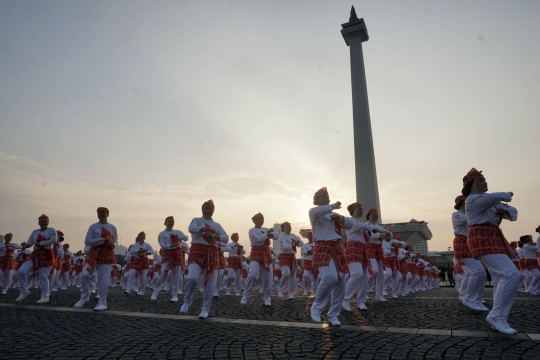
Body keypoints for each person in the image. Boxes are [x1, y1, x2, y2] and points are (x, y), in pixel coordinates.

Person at [462, 168, 520, 334]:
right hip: (481, 237)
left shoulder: (487, 201)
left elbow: (513, 213)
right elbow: (498, 198)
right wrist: (506, 195)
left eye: (484, 179)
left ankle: (500, 315)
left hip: (494, 236)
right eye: (480, 180)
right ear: (472, 184)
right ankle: (497, 315)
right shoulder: (473, 199)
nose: (485, 182)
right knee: (511, 274)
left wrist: (504, 209)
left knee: (501, 277)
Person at [180, 200, 228, 319]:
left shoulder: (217, 225)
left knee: (210, 284)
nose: (208, 211)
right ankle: (187, 300)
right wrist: (205, 230)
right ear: (202, 210)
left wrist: (215, 236)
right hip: (197, 252)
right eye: (206, 208)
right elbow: (191, 228)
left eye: (210, 209)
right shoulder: (196, 220)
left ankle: (205, 308)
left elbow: (226, 237)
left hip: (212, 254)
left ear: (213, 211)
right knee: (192, 278)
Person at [309, 187, 348, 326]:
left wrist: (340, 217)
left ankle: (333, 314)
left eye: (327, 196)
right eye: (323, 196)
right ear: (316, 200)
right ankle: (316, 307)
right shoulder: (314, 212)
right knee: (330, 276)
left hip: (337, 248)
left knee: (342, 280)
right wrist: (333, 206)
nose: (326, 198)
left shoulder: (334, 215)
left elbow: (350, 224)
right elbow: (321, 210)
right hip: (322, 248)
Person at [74, 207, 118, 311]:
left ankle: (102, 302)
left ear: (108, 214)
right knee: (85, 274)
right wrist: (102, 240)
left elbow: (116, 241)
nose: (101, 215)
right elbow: (87, 241)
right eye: (99, 213)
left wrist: (113, 244)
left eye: (103, 213)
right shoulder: (93, 226)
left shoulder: (112, 227)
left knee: (103, 279)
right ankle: (84, 297)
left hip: (107, 253)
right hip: (93, 253)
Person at [452, 194, 488, 311]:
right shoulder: (457, 214)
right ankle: (469, 298)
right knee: (478, 271)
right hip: (462, 243)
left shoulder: (468, 214)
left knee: (473, 272)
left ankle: (471, 297)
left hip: (470, 243)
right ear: (462, 203)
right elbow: (471, 220)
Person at [16, 214, 58, 303]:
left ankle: (45, 296)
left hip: (47, 253)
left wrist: (41, 244)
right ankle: (24, 291)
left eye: (45, 221)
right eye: (41, 221)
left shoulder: (51, 230)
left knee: (43, 276)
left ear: (48, 222)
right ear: (38, 222)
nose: (43, 222)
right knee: (21, 271)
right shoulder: (35, 231)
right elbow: (30, 242)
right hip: (35, 253)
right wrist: (25, 246)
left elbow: (54, 240)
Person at [341, 202, 372, 311]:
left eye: (361, 209)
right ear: (353, 210)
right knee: (357, 274)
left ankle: (361, 302)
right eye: (359, 209)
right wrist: (369, 227)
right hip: (353, 248)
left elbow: (369, 234)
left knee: (364, 277)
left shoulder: (360, 223)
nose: (361, 211)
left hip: (362, 248)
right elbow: (365, 226)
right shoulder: (351, 222)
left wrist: (369, 230)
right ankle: (345, 299)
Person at [242, 213, 275, 306]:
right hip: (256, 253)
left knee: (268, 278)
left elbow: (275, 236)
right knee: (252, 274)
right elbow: (258, 239)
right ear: (255, 220)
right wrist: (268, 234)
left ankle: (267, 297)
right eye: (259, 218)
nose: (261, 220)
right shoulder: (251, 231)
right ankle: (246, 295)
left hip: (266, 253)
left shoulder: (266, 229)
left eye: (262, 218)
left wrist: (271, 233)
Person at [152, 216, 189, 301]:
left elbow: (186, 238)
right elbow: (162, 244)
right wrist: (171, 246)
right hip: (167, 254)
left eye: (172, 221)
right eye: (169, 221)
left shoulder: (177, 231)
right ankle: (156, 291)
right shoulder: (162, 233)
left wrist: (178, 236)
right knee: (163, 273)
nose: (171, 223)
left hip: (177, 254)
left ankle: (174, 295)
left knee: (176, 276)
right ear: (165, 223)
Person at [277, 222, 303, 299]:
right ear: (284, 228)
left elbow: (301, 243)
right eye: (288, 226)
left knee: (293, 277)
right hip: (284, 256)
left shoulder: (293, 236)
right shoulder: (282, 236)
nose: (290, 228)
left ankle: (290, 293)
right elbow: (284, 247)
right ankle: (280, 289)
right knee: (286, 273)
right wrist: (293, 244)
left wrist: (298, 243)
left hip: (292, 256)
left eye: (290, 226)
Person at [301, 232, 316, 296]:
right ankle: (306, 289)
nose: (310, 237)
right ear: (307, 237)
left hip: (314, 261)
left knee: (314, 277)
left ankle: (315, 291)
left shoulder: (315, 244)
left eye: (311, 236)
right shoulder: (305, 245)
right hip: (306, 261)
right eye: (309, 236)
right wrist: (308, 251)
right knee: (306, 276)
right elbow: (303, 252)